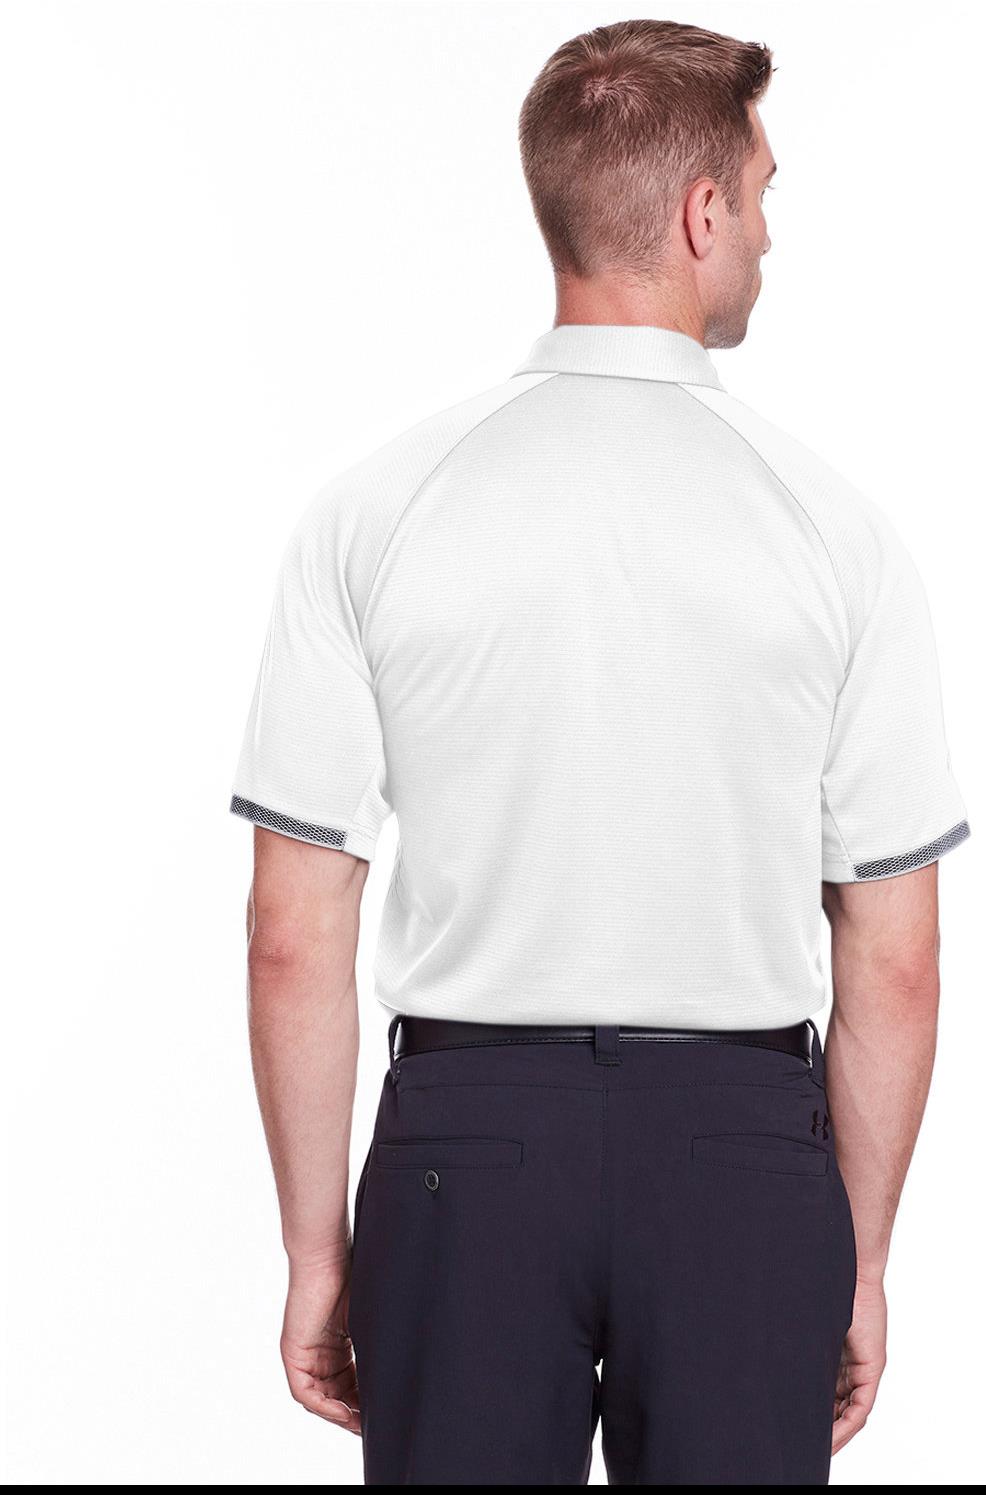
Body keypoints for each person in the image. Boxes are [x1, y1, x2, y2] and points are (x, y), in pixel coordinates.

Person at [229, 18, 969, 1486]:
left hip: (463, 1153)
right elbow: (894, 953)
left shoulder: (378, 509)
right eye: (761, 192)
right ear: (701, 214)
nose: (768, 231)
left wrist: (319, 1254)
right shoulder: (834, 532)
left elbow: (291, 931)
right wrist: (862, 1258)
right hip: (741, 1159)